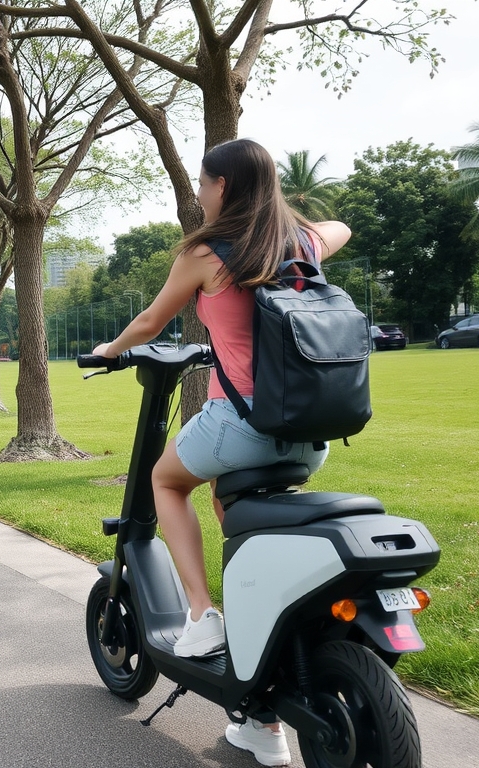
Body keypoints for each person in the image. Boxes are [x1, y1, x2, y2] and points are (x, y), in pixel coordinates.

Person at [92, 138, 350, 767]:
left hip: (241, 424)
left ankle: (204, 614)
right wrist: (300, 228)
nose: (198, 194)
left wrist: (106, 351)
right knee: (230, 502)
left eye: (204, 184)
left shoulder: (208, 253)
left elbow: (152, 321)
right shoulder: (300, 244)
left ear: (223, 188)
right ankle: (262, 718)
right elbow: (340, 225)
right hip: (309, 436)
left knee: (166, 481)